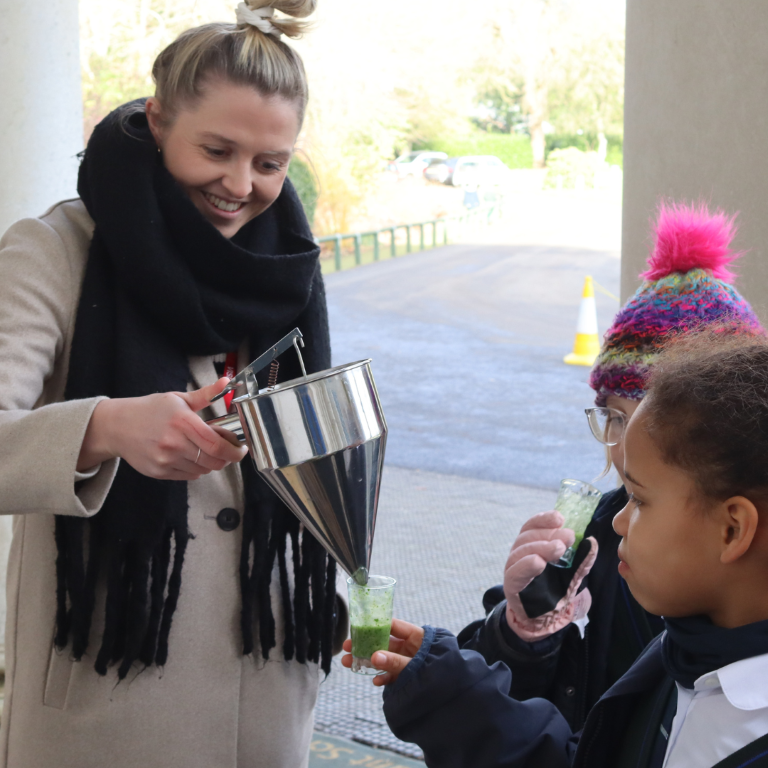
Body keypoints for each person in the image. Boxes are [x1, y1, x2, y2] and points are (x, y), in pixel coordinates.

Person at [0, 2, 344, 766]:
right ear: (157, 121)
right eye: (216, 149)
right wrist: (106, 428)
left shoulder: (287, 271)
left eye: (270, 162)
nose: (239, 185)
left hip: (265, 687)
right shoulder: (52, 249)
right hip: (108, 692)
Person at [347, 330, 768, 768]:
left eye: (640, 500)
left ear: (731, 529)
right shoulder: (680, 656)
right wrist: (458, 686)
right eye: (612, 418)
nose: (619, 518)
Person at [455, 201, 764, 730]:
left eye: (642, 425)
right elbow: (511, 708)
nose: (621, 451)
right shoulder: (594, 534)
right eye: (612, 419)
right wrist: (521, 630)